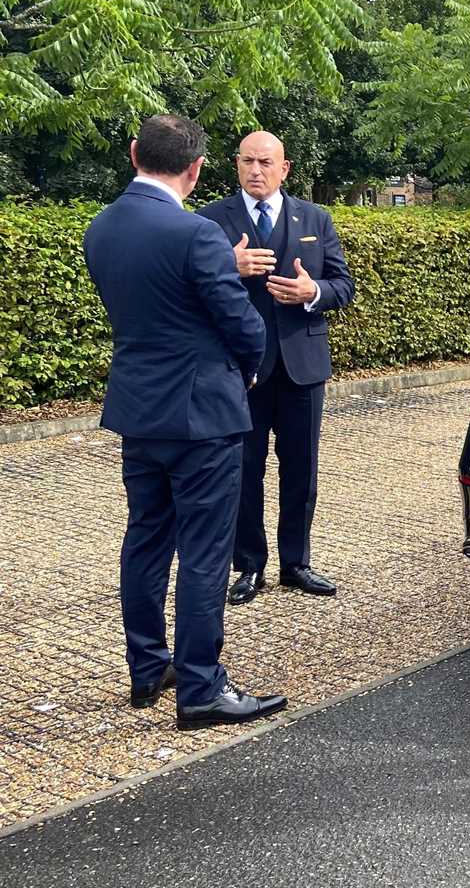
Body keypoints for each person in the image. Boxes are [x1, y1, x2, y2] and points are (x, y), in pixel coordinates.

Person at [83, 114, 286, 729]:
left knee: (145, 537)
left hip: (138, 411)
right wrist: (246, 371)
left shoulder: (101, 227)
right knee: (204, 550)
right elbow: (243, 324)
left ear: (133, 153)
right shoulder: (195, 233)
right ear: (196, 169)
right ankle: (200, 687)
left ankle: (148, 667)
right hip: (203, 417)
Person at [197, 132, 355, 605]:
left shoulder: (314, 218)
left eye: (266, 162)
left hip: (301, 366)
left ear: (285, 169)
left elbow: (342, 284)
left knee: (302, 467)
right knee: (243, 470)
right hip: (239, 369)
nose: (256, 171)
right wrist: (229, 264)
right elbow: (190, 289)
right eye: (247, 161)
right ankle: (249, 566)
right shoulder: (209, 222)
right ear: (236, 165)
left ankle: (296, 563)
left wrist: (314, 294)